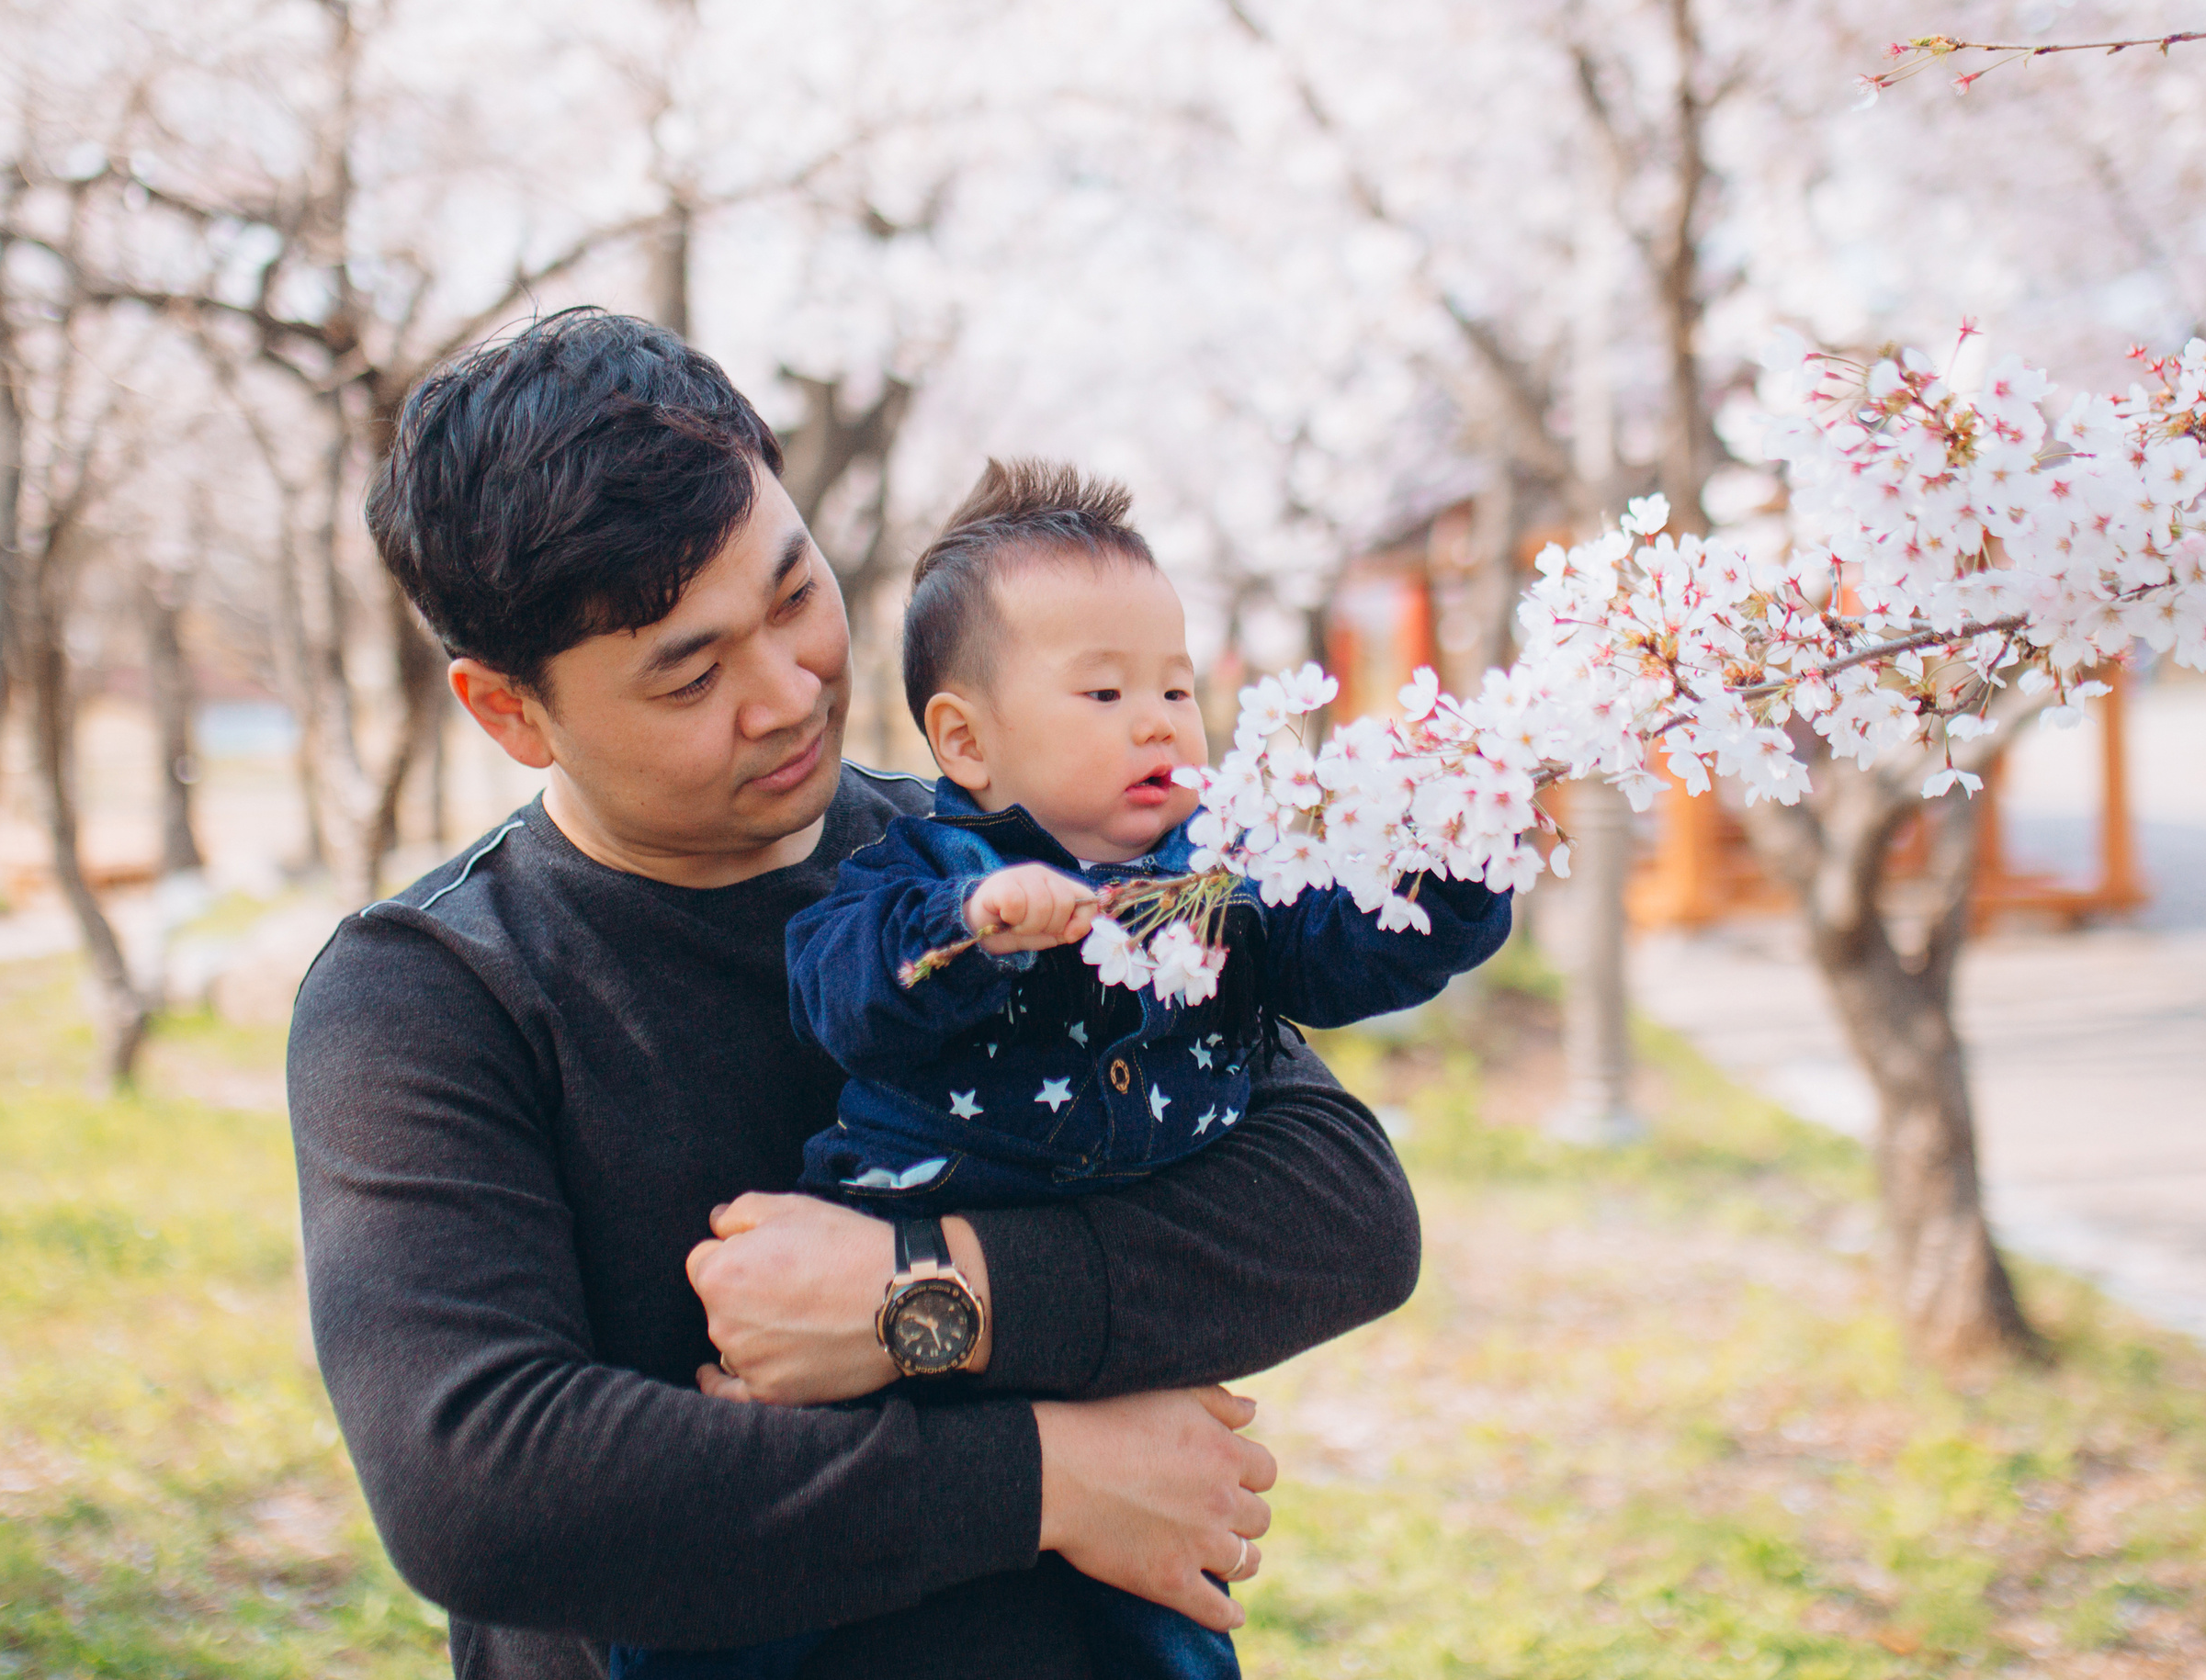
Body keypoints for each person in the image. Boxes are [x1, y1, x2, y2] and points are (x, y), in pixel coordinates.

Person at [287, 308, 1425, 1680]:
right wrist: (1045, 1476)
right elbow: (488, 1479)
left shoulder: (996, 868)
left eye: (791, 594)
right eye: (691, 671)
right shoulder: (432, 994)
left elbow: (1340, 1207)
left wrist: (920, 1297)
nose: (787, 693)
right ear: (509, 711)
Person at [610, 463, 1512, 1680]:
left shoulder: (1218, 884)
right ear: (968, 741)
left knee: (1172, 1619)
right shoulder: (916, 864)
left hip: (1108, 1357)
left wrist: (1453, 871)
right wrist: (975, 925)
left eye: (1178, 688)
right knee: (743, 1607)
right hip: (877, 1288)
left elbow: (1340, 957)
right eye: (1104, 690)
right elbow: (842, 987)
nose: (1159, 721)